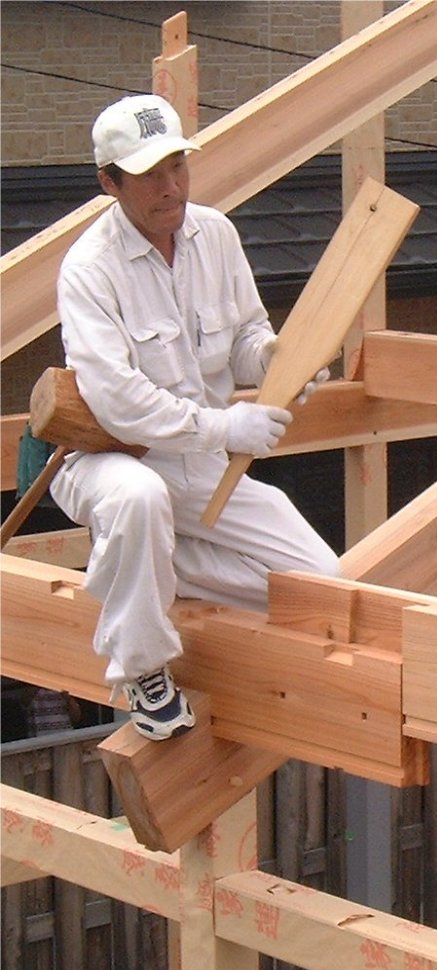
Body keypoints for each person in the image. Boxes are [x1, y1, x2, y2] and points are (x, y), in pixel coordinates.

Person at [50, 94, 342, 741]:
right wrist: (223, 428)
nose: (171, 186)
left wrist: (274, 361)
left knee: (320, 582)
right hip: (109, 458)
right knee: (138, 499)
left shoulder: (216, 236)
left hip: (200, 466)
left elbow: (243, 336)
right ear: (109, 183)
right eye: (150, 174)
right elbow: (115, 399)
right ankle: (144, 668)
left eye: (178, 165)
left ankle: (154, 570)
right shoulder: (89, 269)